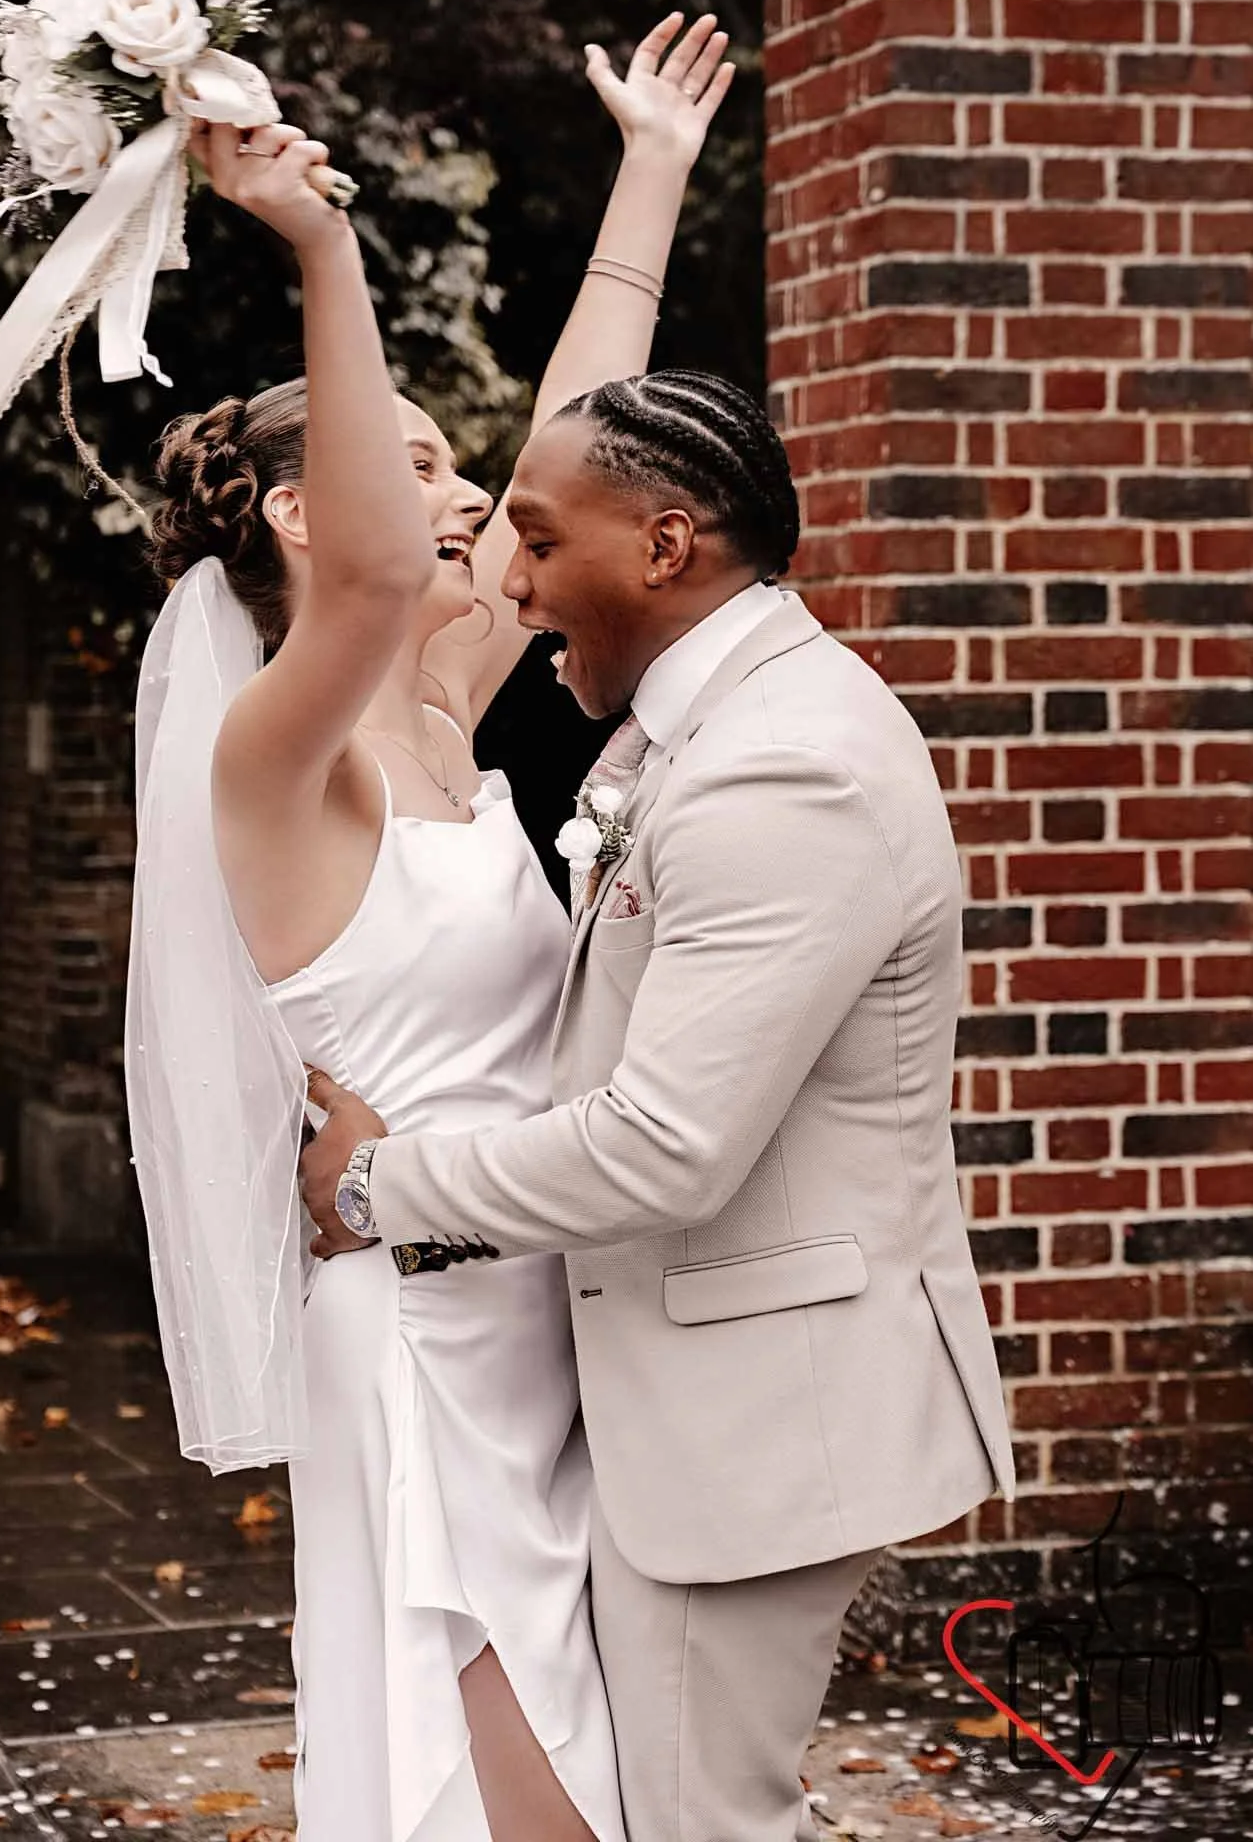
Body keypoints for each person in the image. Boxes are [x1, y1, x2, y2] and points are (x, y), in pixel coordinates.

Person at [126, 14, 736, 1842]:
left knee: (581, 1767)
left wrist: (652, 172)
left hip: (543, 1300)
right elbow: (394, 569)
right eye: (414, 463)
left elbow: (572, 451)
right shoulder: (274, 762)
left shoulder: (449, 711)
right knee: (512, 1786)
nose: (470, 505)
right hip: (413, 1331)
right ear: (308, 515)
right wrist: (317, 241)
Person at [299, 370, 1019, 1842]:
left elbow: (664, 1144)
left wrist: (380, 1189)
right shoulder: (723, 719)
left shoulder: (783, 766)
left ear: (666, 546)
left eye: (545, 543)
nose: (515, 580)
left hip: (756, 1417)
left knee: (702, 1822)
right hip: (691, 1393)